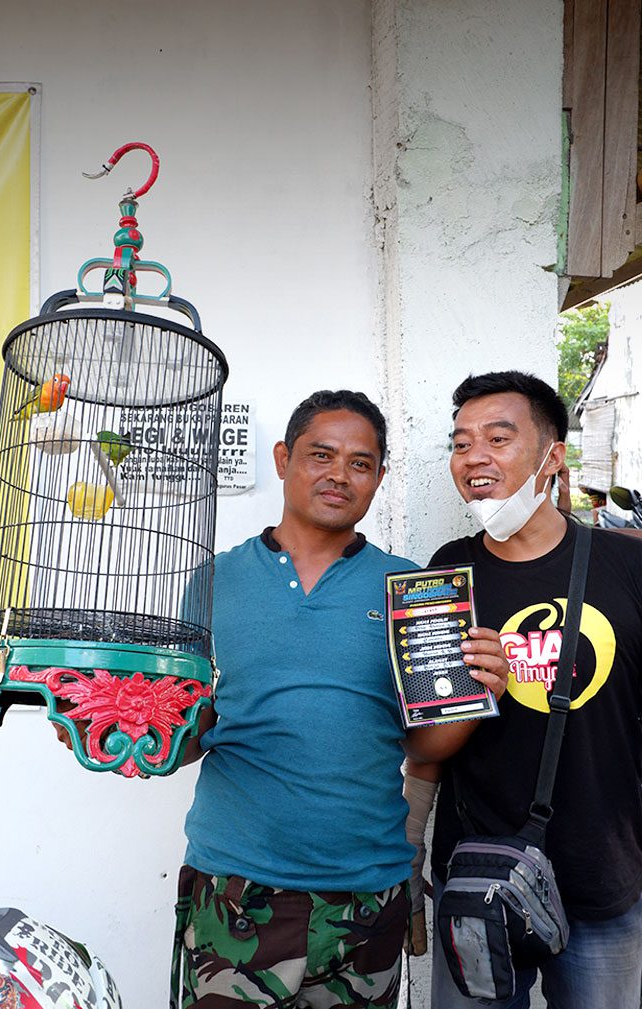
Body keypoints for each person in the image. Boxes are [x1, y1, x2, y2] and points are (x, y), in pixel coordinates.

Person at [172, 389, 508, 1009]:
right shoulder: (214, 579)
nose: (338, 474)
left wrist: (477, 696)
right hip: (235, 886)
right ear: (283, 458)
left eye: (360, 463)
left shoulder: (413, 590)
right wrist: (123, 731)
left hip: (366, 896)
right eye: (320, 455)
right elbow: (188, 731)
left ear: (380, 476)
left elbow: (425, 744)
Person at [405, 370, 642, 1009]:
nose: (474, 456)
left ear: (552, 456)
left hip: (607, 877)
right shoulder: (444, 575)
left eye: (498, 438)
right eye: (460, 443)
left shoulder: (626, 565)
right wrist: (478, 692)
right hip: (478, 878)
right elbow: (425, 743)